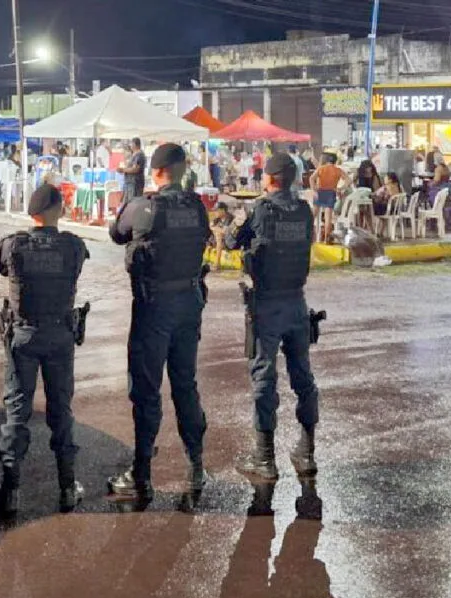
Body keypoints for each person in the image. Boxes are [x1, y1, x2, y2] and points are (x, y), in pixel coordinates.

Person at [106, 143, 210, 512]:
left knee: (147, 390)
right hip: (189, 304)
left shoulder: (143, 207)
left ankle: (141, 475)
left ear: (156, 171)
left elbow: (116, 234)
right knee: (185, 384)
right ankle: (196, 466)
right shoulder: (197, 206)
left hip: (154, 309)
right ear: (181, 169)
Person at [0, 172, 89, 518]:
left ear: (32, 213)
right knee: (61, 411)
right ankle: (66, 488)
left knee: (17, 413)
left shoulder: (13, 244)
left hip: (23, 337)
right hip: (60, 336)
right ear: (59, 211)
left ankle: (10, 490)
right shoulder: (74, 246)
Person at [224, 153, 320, 484]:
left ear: (270, 178)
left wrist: (237, 221)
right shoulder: (304, 210)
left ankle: (264, 458)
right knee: (303, 377)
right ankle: (306, 451)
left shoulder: (260, 210)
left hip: (266, 303)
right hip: (296, 302)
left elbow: (230, 241)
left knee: (264, 378)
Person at [309, 153, 346, 243]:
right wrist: (340, 188)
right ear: (335, 161)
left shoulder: (321, 168)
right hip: (330, 193)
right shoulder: (338, 170)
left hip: (320, 191)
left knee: (313, 215)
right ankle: (327, 238)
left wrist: (314, 190)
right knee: (328, 218)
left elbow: (311, 178)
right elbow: (349, 180)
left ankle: (308, 235)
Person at [119, 137, 147, 202]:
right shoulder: (134, 155)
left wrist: (123, 170)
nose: (130, 146)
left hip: (135, 183)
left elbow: (135, 169)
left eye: (131, 144)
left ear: (134, 144)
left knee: (132, 202)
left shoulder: (139, 155)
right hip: (130, 183)